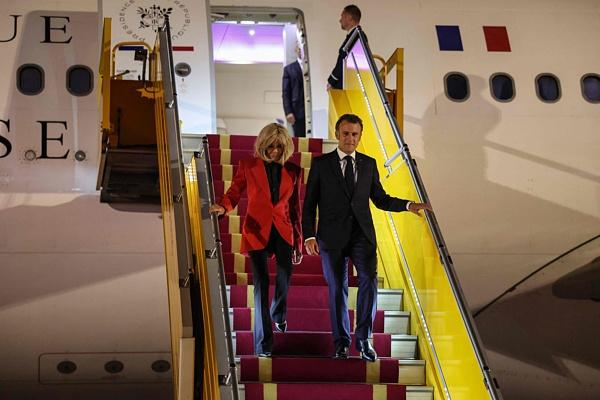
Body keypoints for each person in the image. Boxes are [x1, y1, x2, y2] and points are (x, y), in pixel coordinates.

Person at [302, 114, 432, 362]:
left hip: (362, 235)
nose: (350, 138)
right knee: (337, 288)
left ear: (360, 137)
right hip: (331, 238)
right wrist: (309, 235)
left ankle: (364, 339)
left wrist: (408, 205)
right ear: (337, 134)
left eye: (355, 134)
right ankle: (341, 343)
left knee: (369, 281)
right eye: (346, 133)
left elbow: (380, 199)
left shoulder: (369, 164)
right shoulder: (321, 164)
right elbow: (309, 204)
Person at [210, 123, 303, 357]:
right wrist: (223, 207)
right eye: (270, 146)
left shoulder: (293, 170)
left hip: (283, 229)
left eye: (279, 147)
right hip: (256, 230)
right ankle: (264, 344)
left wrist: (299, 241)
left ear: (285, 147)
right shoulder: (248, 166)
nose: (274, 151)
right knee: (261, 284)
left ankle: (278, 313)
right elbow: (234, 191)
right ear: (262, 145)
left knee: (285, 275)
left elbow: (295, 208)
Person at [328, 4, 362, 90]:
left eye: (342, 16)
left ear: (349, 18)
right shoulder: (355, 35)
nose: (340, 20)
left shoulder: (356, 35)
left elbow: (343, 61)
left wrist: (331, 81)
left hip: (347, 87)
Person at [282, 43, 306, 137]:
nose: (300, 50)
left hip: (313, 109)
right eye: (299, 48)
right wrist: (288, 112)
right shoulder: (289, 69)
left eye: (302, 48)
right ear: (296, 50)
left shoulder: (313, 67)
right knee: (300, 138)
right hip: (297, 112)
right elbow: (286, 92)